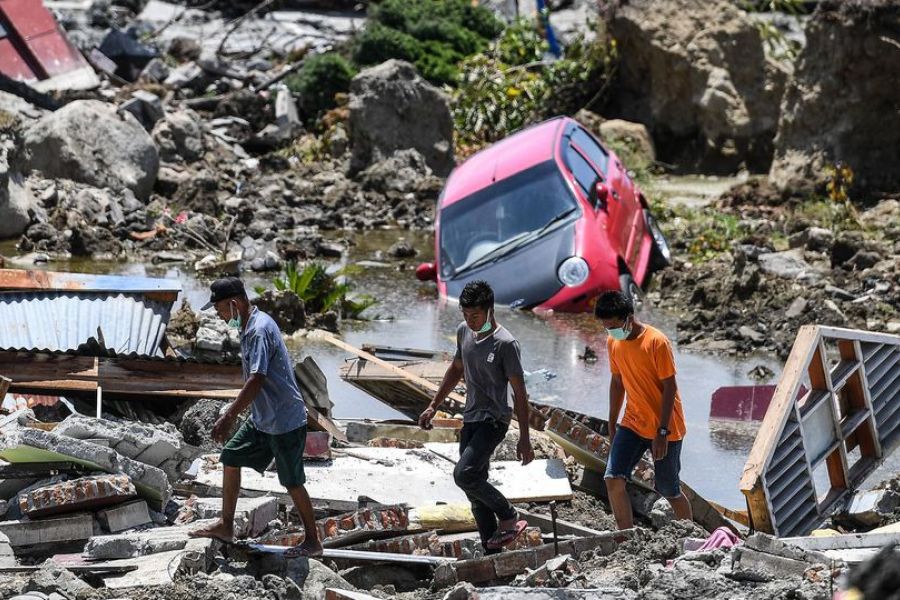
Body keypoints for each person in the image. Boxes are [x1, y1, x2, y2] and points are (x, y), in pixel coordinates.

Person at [189, 277, 322, 557]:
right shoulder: (247, 325)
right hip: (263, 417)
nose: (220, 316)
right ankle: (226, 526)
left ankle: (313, 541)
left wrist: (228, 416)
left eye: (221, 310)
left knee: (292, 481)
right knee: (231, 456)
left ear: (234, 304)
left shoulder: (260, 329)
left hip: (285, 420)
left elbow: (256, 379)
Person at [418, 280, 534, 553]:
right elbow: (456, 370)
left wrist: (525, 439)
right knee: (474, 492)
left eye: (476, 316)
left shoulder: (506, 344)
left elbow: (520, 393)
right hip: (470, 418)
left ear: (490, 311)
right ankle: (490, 549)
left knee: (464, 474)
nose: (470, 321)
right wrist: (433, 405)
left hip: (494, 419)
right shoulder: (463, 333)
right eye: (466, 315)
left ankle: (508, 515)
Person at [594, 290, 692, 530]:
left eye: (614, 325)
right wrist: (611, 422)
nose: (611, 331)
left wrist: (661, 432)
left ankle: (692, 536)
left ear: (629, 317)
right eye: (606, 326)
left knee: (669, 489)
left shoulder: (656, 342)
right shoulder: (613, 341)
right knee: (613, 479)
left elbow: (670, 388)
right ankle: (627, 537)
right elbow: (617, 383)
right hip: (633, 422)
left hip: (666, 426)